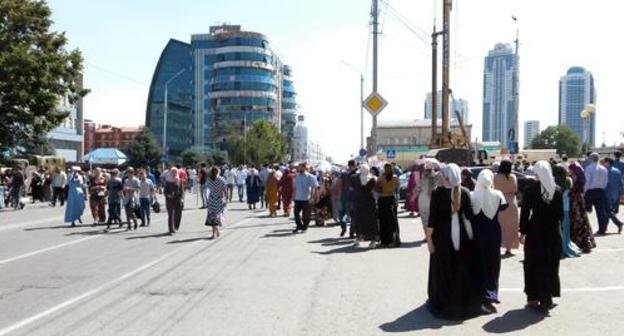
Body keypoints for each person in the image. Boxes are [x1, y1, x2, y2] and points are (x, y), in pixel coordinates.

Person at [426, 163, 479, 320]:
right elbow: (470, 216)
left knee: (442, 268)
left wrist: (429, 241)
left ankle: (442, 298)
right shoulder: (464, 192)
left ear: (447, 176)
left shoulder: (437, 193)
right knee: (460, 266)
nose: (440, 175)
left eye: (442, 173)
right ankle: (460, 297)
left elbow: (432, 220)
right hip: (461, 236)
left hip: (442, 237)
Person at [520, 161, 563, 312]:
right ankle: (547, 296)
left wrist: (523, 231)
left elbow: (525, 212)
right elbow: (560, 214)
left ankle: (532, 297)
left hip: (535, 231)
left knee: (532, 263)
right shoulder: (557, 190)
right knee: (550, 264)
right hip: (552, 231)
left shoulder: (530, 189)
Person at [471, 169, 508, 314]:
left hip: (477, 233)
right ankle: (491, 295)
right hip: (493, 233)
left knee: (478, 263)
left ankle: (478, 295)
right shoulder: (498, 194)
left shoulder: (472, 195)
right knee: (493, 263)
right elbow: (504, 207)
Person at [553, 164, 581, 258]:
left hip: (555, 208)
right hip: (566, 207)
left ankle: (558, 249)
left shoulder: (552, 182)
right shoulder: (569, 180)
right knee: (565, 231)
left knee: (556, 230)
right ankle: (564, 247)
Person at [567, 162, 596, 253]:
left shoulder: (573, 178)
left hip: (574, 201)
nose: (569, 170)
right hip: (580, 200)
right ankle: (586, 243)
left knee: (575, 221)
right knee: (582, 221)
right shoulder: (581, 177)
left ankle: (577, 243)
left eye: (570, 169)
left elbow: (570, 190)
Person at [494, 159, 519, 257]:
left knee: (499, 226)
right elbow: (516, 189)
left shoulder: (496, 177)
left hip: (499, 201)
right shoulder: (513, 176)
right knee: (511, 227)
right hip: (512, 202)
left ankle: (498, 246)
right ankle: (508, 248)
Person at [352, 164, 378, 247]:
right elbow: (376, 190)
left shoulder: (355, 178)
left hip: (362, 201)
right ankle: (367, 238)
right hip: (367, 201)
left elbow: (353, 188)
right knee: (366, 220)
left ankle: (364, 238)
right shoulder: (373, 178)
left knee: (363, 220)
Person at [584, 153, 610, 235]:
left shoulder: (588, 168)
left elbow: (587, 181)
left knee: (585, 210)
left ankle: (584, 230)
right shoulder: (604, 168)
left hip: (590, 191)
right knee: (601, 211)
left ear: (590, 159)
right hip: (600, 191)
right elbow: (606, 182)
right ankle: (602, 229)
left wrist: (584, 191)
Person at [376, 163, 400, 247]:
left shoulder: (381, 177)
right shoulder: (395, 177)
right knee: (392, 221)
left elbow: (377, 188)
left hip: (383, 200)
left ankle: (385, 241)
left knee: (384, 221)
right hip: (390, 199)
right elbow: (397, 186)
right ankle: (393, 240)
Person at [292, 163, 319, 233]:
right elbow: (295, 187)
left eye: (300, 167)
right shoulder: (296, 176)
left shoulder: (311, 177)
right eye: (298, 167)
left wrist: (313, 197)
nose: (298, 169)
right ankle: (299, 226)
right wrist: (293, 196)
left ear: (304, 168)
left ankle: (305, 227)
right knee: (296, 213)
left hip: (307, 199)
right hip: (298, 198)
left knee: (306, 215)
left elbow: (315, 188)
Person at [205, 166, 228, 239]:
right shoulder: (222, 179)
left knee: (212, 217)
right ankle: (216, 232)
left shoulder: (209, 179)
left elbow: (208, 188)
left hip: (211, 199)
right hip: (218, 200)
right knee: (217, 217)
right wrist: (226, 199)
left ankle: (214, 233)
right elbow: (225, 191)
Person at [417, 163, 438, 240]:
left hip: (423, 201)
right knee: (433, 219)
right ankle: (434, 235)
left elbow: (416, 190)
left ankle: (427, 236)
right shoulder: (436, 179)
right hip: (433, 201)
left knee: (425, 220)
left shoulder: (422, 180)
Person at [337, 160, 357, 237]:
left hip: (344, 197)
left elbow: (339, 184)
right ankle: (352, 233)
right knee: (353, 216)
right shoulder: (357, 174)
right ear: (354, 165)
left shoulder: (343, 173)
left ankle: (343, 227)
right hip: (353, 198)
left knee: (342, 214)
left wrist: (339, 195)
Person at [604, 157, 624, 233]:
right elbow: (621, 183)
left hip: (607, 193)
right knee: (609, 211)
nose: (604, 164)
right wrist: (622, 193)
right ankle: (604, 228)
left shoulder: (606, 171)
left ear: (608, 163)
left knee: (607, 211)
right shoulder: (618, 171)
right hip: (615, 194)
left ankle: (619, 223)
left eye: (605, 162)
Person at [163, 167, 184, 234]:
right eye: (173, 171)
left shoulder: (179, 181)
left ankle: (175, 226)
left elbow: (182, 191)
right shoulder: (167, 181)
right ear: (170, 172)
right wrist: (168, 195)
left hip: (178, 199)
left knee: (177, 214)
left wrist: (182, 199)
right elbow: (165, 191)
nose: (174, 173)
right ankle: (171, 230)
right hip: (169, 200)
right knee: (171, 214)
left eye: (175, 171)